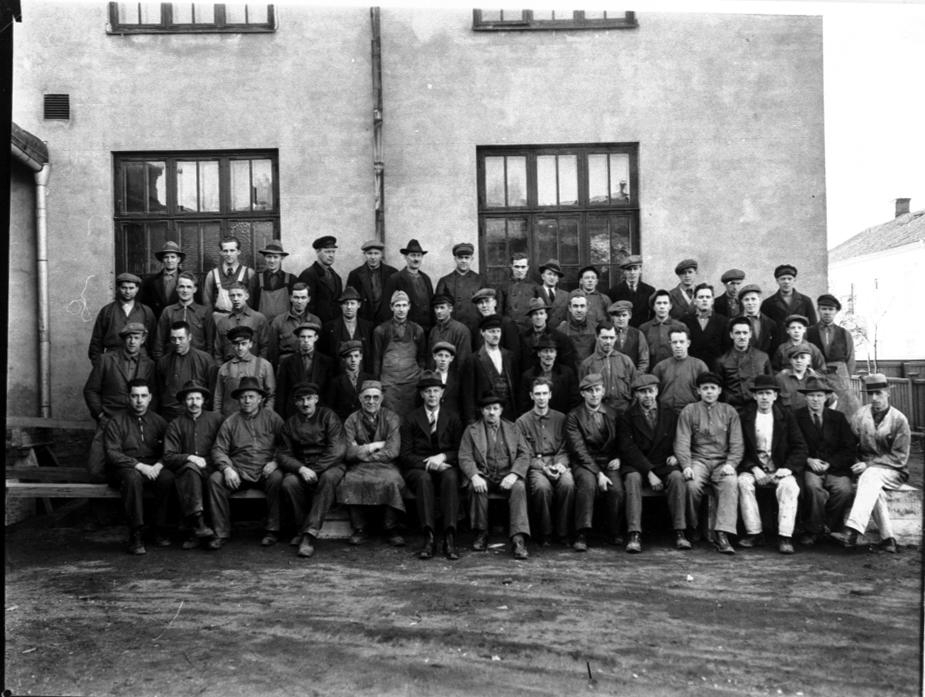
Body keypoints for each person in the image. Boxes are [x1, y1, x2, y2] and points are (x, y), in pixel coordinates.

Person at [208, 376, 286, 549]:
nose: (247, 400)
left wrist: (275, 462)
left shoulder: (272, 418)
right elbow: (218, 449)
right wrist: (227, 469)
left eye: (251, 396)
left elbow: (286, 444)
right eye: (243, 397)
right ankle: (221, 532)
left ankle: (272, 530)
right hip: (239, 471)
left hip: (265, 470)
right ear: (238, 400)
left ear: (260, 399)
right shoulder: (231, 422)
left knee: (277, 478)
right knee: (215, 480)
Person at [838, 374, 911, 553]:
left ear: (888, 393)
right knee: (873, 489)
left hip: (893, 471)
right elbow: (850, 445)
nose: (874, 398)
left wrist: (869, 464)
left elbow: (900, 457)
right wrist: (856, 462)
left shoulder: (899, 419)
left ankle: (853, 530)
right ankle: (888, 539)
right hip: (866, 473)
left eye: (879, 393)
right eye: (871, 394)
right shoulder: (861, 415)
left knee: (870, 476)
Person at [618, 374, 690, 551]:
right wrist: (649, 473)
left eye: (650, 391)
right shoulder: (627, 416)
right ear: (636, 395)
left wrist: (676, 454)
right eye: (642, 392)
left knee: (677, 477)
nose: (647, 396)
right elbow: (628, 449)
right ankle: (634, 533)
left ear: (657, 391)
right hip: (638, 464)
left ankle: (680, 531)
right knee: (632, 479)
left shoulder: (669, 413)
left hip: (663, 462)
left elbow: (678, 438)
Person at [736, 375, 807, 554]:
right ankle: (754, 533)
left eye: (768, 393)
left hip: (779, 468)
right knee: (743, 483)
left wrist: (787, 468)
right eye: (760, 393)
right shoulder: (745, 417)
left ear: (775, 396)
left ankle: (785, 536)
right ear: (754, 396)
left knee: (789, 486)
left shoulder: (786, 416)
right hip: (754, 468)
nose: (764, 397)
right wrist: (753, 468)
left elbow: (800, 447)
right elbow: (739, 448)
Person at [675, 372, 743, 554]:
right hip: (698, 460)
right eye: (705, 388)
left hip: (722, 461)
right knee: (691, 485)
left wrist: (731, 463)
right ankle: (693, 526)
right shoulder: (689, 410)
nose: (709, 392)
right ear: (698, 391)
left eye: (713, 388)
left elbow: (737, 443)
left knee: (730, 482)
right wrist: (686, 465)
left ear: (719, 390)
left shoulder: (729, 411)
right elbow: (682, 441)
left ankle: (722, 534)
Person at [458, 391, 532, 560]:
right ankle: (481, 533)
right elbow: (465, 456)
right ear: (482, 411)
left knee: (519, 487)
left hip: (507, 475)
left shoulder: (513, 428)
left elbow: (524, 454)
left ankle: (518, 539)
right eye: (487, 409)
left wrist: (514, 474)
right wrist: (474, 475)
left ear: (501, 410)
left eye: (495, 408)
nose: (491, 412)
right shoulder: (471, 430)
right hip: (484, 475)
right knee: (476, 487)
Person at [278, 382, 347, 559]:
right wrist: (301, 469)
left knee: (328, 478)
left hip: (330, 465)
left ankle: (309, 535)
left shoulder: (328, 416)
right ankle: (302, 528)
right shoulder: (290, 424)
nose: (305, 403)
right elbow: (284, 454)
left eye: (309, 398)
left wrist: (314, 470)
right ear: (295, 402)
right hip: (303, 466)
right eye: (301, 400)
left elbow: (337, 450)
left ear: (316, 399)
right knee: (289, 482)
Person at [400, 372, 464, 560]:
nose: (432, 395)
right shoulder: (411, 418)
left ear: (442, 393)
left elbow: (460, 450)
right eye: (428, 391)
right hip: (418, 468)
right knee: (423, 479)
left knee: (451, 477)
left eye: (436, 391)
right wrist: (429, 464)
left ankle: (449, 536)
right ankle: (428, 536)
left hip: (446, 465)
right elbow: (405, 455)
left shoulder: (452, 417)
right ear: (422, 394)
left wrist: (442, 457)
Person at [104, 379, 171, 555]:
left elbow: (169, 450)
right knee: (132, 478)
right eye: (135, 396)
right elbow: (112, 453)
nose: (139, 401)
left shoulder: (159, 422)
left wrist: (159, 465)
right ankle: (136, 533)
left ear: (150, 397)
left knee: (167, 478)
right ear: (128, 398)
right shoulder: (116, 422)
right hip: (125, 468)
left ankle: (158, 528)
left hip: (152, 467)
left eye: (143, 396)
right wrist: (139, 466)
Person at [84, 322, 158, 482]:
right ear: (124, 339)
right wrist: (100, 415)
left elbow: (152, 395)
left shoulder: (149, 365)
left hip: (134, 422)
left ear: (143, 340)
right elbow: (91, 390)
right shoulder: (106, 360)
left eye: (136, 337)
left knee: (136, 468)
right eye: (129, 337)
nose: (132, 341)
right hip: (109, 420)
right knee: (95, 470)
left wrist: (144, 420)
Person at [339, 380, 407, 546]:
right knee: (350, 481)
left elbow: (393, 450)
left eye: (375, 397)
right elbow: (348, 451)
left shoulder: (391, 418)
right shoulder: (351, 420)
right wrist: (373, 446)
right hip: (359, 466)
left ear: (382, 398)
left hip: (386, 465)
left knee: (392, 481)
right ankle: (359, 528)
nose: (371, 401)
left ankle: (391, 527)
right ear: (360, 398)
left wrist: (362, 452)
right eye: (367, 397)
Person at [793, 376, 857, 546]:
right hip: (809, 468)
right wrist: (808, 460)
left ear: (827, 397)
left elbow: (849, 448)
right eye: (811, 395)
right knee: (813, 488)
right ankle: (813, 530)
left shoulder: (838, 418)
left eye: (819, 395)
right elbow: (791, 445)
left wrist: (831, 463)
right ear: (805, 397)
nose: (815, 399)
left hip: (834, 468)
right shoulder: (796, 417)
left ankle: (830, 528)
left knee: (844, 490)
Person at [162, 379, 224, 550]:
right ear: (184, 401)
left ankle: (201, 531)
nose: (194, 403)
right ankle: (199, 524)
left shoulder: (216, 419)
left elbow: (226, 445)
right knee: (190, 470)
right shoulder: (176, 424)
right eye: (190, 399)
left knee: (214, 480)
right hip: (187, 472)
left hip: (212, 468)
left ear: (203, 400)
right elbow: (168, 456)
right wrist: (190, 457)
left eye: (197, 398)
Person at [565, 373, 624, 552]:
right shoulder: (574, 416)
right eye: (589, 391)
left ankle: (613, 530)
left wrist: (618, 457)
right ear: (582, 394)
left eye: (597, 390)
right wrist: (598, 473)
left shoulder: (613, 413)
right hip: (585, 462)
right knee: (587, 485)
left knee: (616, 489)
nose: (594, 394)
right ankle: (582, 532)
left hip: (608, 461)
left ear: (603, 391)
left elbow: (622, 441)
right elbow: (578, 450)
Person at [516, 378, 574, 547]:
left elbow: (566, 447)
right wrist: (543, 467)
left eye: (544, 393)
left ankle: (563, 532)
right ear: (531, 396)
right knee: (542, 488)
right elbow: (524, 453)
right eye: (537, 394)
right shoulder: (522, 422)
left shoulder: (561, 418)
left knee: (568, 484)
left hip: (559, 462)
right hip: (536, 465)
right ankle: (545, 533)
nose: (541, 398)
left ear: (550, 395)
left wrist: (561, 464)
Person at [372, 290, 427, 415]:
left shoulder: (417, 330)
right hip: (389, 385)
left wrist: (420, 376)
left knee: (411, 418)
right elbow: (376, 359)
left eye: (404, 305)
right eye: (397, 305)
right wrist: (377, 384)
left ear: (409, 306)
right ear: (391, 307)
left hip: (412, 384)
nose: (401, 309)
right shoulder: (381, 331)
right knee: (391, 418)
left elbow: (422, 358)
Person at [807, 293, 859, 415]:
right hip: (818, 377)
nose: (827, 312)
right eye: (824, 309)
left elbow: (850, 360)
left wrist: (844, 379)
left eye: (831, 309)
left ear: (836, 311)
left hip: (839, 379)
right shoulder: (809, 332)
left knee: (845, 410)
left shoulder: (844, 334)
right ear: (818, 310)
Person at [88, 272, 156, 363]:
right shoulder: (107, 311)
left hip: (139, 360)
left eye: (131, 288)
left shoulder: (146, 311)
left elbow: (153, 340)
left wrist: (150, 363)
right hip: (112, 359)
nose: (127, 291)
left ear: (137, 289)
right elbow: (96, 341)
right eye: (124, 288)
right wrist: (98, 363)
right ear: (118, 288)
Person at [463, 314, 519, 424]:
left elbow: (516, 389)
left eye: (498, 331)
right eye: (492, 331)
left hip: (509, 416)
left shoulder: (509, 357)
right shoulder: (473, 360)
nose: (496, 335)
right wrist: (471, 421)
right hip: (485, 417)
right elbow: (468, 395)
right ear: (482, 333)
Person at [155, 321, 216, 419]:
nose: (177, 342)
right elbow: (160, 391)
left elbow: (212, 392)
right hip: (170, 415)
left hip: (198, 415)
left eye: (181, 338)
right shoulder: (163, 362)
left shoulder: (205, 360)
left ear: (189, 337)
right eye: (173, 339)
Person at [275, 321, 335, 419]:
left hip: (320, 413)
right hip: (294, 413)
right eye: (303, 337)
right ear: (298, 338)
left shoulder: (326, 362)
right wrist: (281, 417)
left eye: (309, 337)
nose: (306, 340)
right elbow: (281, 392)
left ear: (316, 338)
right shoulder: (287, 362)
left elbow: (330, 393)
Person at [213, 326, 275, 417]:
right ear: (232, 345)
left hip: (257, 419)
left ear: (250, 344)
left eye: (244, 343)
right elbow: (218, 398)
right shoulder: (224, 368)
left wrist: (266, 417)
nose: (240, 348)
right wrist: (217, 418)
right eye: (236, 344)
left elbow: (271, 395)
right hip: (230, 419)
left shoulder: (264, 365)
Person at [579, 321, 638, 415]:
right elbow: (582, 393)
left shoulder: (625, 361)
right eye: (604, 338)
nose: (608, 342)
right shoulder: (587, 364)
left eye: (611, 338)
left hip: (624, 412)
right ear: (597, 337)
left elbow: (635, 388)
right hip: (599, 413)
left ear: (616, 338)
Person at [153, 272, 214, 360]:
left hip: (197, 361)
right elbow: (159, 342)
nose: (185, 290)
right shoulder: (168, 311)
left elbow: (210, 344)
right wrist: (161, 361)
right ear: (177, 288)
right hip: (172, 361)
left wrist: (206, 361)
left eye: (189, 287)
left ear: (195, 289)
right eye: (182, 286)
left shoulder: (204, 312)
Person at [714, 317, 772, 410]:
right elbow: (719, 390)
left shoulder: (762, 357)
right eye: (738, 333)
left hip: (757, 408)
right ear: (731, 335)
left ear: (750, 334)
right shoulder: (722, 361)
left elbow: (770, 386)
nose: (742, 337)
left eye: (745, 333)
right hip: (733, 409)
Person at [651, 327, 709, 414]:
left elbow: (706, 392)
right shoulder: (660, 367)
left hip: (691, 413)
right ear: (670, 344)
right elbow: (653, 391)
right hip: (665, 413)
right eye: (674, 342)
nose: (678, 345)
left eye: (682, 342)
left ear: (688, 343)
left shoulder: (699, 366)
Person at [518, 335, 579, 416]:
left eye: (551, 351)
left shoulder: (566, 373)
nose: (549, 355)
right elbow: (524, 405)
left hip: (562, 418)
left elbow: (574, 401)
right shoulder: (528, 376)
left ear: (556, 354)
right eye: (545, 351)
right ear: (539, 353)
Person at [383, 239, 434, 331]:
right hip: (406, 330)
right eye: (413, 255)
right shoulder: (395, 279)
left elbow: (431, 305)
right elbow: (387, 308)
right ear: (405, 257)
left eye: (419, 255)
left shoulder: (426, 278)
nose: (416, 259)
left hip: (426, 328)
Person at [266, 283, 321, 367]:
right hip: (286, 365)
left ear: (308, 299)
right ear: (291, 298)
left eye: (303, 298)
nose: (299, 301)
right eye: (296, 297)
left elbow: (319, 348)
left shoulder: (315, 321)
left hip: (309, 365)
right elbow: (272, 350)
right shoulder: (279, 321)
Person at [212, 282, 269, 362]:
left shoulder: (259, 319)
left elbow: (265, 347)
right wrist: (221, 367)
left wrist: (259, 366)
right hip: (229, 366)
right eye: (232, 295)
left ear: (246, 296)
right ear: (229, 297)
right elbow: (218, 350)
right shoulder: (223, 322)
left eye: (239, 295)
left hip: (252, 366)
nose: (235, 299)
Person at [320, 286, 373, 370]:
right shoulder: (329, 328)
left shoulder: (368, 327)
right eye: (345, 303)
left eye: (352, 303)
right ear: (341, 305)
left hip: (362, 372)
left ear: (359, 305)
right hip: (338, 372)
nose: (349, 307)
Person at [346, 239, 398, 324]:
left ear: (381, 254)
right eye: (369, 253)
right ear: (365, 255)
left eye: (376, 253)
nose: (373, 257)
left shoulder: (392, 273)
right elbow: (349, 299)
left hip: (386, 320)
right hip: (364, 320)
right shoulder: (355, 275)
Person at [434, 242, 482, 334]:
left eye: (467, 258)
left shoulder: (479, 280)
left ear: (472, 259)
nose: (463, 261)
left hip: (475, 328)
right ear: (455, 259)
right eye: (460, 258)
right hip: (452, 330)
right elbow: (438, 309)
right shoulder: (445, 281)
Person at [202, 236, 256, 314]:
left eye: (232, 250)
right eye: (225, 251)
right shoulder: (212, 274)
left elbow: (253, 302)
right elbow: (207, 303)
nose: (228, 254)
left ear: (238, 252)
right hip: (219, 317)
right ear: (221, 252)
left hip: (242, 317)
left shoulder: (249, 273)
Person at [519, 297, 576, 371]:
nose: (539, 317)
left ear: (546, 316)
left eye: (541, 313)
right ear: (531, 318)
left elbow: (567, 365)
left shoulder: (560, 338)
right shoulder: (523, 337)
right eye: (535, 314)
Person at [324, 340, 373, 422]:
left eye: (356, 356)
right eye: (349, 356)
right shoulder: (335, 382)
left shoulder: (369, 379)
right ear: (343, 359)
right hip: (344, 423)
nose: (353, 360)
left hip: (366, 422)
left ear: (361, 357)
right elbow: (330, 408)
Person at [298, 235, 343, 325]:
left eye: (333, 252)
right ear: (317, 252)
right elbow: (305, 306)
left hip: (333, 325)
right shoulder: (308, 275)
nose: (331, 255)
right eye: (327, 252)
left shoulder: (337, 277)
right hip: (315, 325)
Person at [760, 264, 818, 334]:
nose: (786, 282)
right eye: (783, 279)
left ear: (794, 280)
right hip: (778, 340)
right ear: (777, 281)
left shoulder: (805, 301)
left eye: (789, 279)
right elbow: (764, 328)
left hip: (800, 339)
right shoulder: (768, 303)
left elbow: (813, 325)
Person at [682, 283, 729, 369]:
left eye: (708, 297)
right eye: (701, 297)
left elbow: (726, 349)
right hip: (692, 368)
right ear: (695, 301)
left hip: (715, 369)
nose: (704, 300)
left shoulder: (723, 321)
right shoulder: (685, 321)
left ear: (712, 301)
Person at [639, 289, 686, 369]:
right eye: (658, 303)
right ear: (653, 306)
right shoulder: (644, 328)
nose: (662, 306)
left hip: (675, 369)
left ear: (670, 306)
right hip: (652, 371)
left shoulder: (680, 326)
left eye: (665, 303)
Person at [138, 240, 185, 319]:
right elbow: (144, 305)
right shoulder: (150, 282)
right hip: (157, 321)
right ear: (162, 259)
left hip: (180, 321)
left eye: (173, 257)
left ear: (178, 259)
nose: (169, 260)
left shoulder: (187, 280)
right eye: (166, 257)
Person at [252, 239, 296, 321]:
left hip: (284, 324)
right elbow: (250, 304)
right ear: (265, 257)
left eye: (275, 257)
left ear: (281, 258)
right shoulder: (256, 279)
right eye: (269, 256)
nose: (272, 261)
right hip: (262, 324)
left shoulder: (291, 279)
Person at [606, 254, 654, 328]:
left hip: (643, 330)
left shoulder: (649, 290)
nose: (632, 272)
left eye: (635, 269)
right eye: (629, 269)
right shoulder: (614, 291)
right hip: (622, 330)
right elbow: (611, 314)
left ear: (640, 270)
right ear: (624, 272)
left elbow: (653, 314)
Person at [471, 287, 521, 355]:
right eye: (480, 303)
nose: (484, 305)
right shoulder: (476, 326)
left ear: (495, 303)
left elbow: (514, 353)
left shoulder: (506, 323)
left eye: (487, 301)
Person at [776, 342, 823, 411]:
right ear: (790, 361)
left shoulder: (816, 378)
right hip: (788, 416)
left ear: (809, 361)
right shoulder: (781, 378)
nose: (798, 360)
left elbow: (832, 400)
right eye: (795, 358)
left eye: (802, 357)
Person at [428, 293, 472, 367]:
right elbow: (430, 358)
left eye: (442, 307)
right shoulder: (434, 331)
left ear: (450, 309)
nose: (438, 311)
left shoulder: (461, 330)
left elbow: (463, 360)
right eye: (436, 308)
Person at [499, 252, 540, 331]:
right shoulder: (504, 286)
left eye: (523, 267)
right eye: (516, 267)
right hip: (508, 328)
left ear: (527, 268)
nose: (520, 270)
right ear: (512, 267)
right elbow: (499, 311)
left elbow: (539, 311)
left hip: (528, 328)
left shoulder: (535, 286)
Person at [607, 300, 649, 372]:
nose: (621, 319)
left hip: (632, 376)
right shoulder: (607, 334)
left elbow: (644, 361)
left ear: (630, 316)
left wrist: (637, 376)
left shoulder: (638, 334)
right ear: (612, 317)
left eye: (624, 315)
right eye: (617, 316)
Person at [737, 284, 779, 355]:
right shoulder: (733, 321)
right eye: (746, 300)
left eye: (753, 299)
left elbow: (773, 349)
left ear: (760, 300)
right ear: (742, 302)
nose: (750, 303)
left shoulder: (770, 323)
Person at [557, 295, 597, 367]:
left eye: (582, 306)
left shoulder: (596, 328)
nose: (579, 310)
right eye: (575, 306)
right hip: (569, 371)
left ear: (587, 308)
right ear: (570, 308)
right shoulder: (561, 330)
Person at [537, 259, 570, 328]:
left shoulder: (566, 296)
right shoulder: (535, 292)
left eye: (555, 275)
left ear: (558, 279)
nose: (552, 277)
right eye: (549, 274)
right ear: (543, 276)